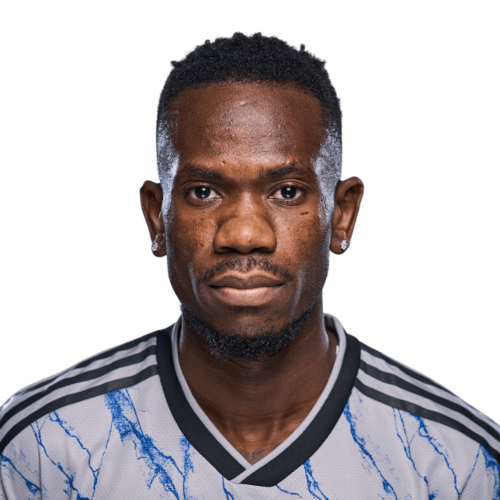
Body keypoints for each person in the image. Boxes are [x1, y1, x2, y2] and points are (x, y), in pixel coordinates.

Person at [1, 32, 498, 499]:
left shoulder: (457, 462)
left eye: (288, 192)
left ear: (342, 215)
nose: (244, 235)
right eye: (203, 192)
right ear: (157, 218)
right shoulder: (40, 446)